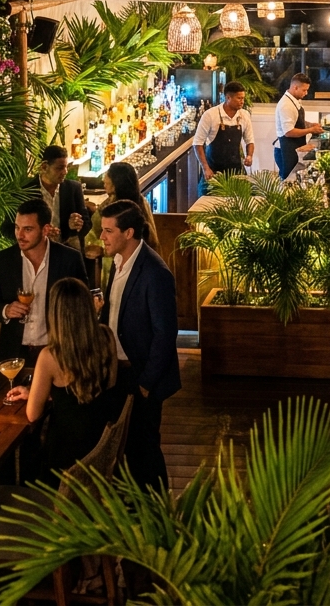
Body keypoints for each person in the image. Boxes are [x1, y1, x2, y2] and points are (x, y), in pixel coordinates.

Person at [5, 277, 123, 485]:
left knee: (30, 463)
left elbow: (32, 415)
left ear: (56, 314)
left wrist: (38, 393)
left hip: (65, 460)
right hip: (99, 448)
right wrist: (48, 392)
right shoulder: (106, 337)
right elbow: (108, 386)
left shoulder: (50, 356)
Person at [99, 199, 180, 490]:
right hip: (117, 371)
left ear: (129, 232)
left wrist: (146, 382)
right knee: (125, 446)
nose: (102, 237)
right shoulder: (118, 263)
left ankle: (156, 510)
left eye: (108, 231)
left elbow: (165, 333)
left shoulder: (155, 273)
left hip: (140, 374)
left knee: (144, 449)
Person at [0, 199, 89, 366]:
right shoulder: (3, 260)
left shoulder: (69, 259)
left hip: (56, 351)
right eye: (17, 227)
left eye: (28, 229)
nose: (20, 235)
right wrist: (6, 310)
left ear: (45, 229)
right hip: (14, 352)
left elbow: (83, 304)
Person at [194, 80, 255, 195]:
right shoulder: (210, 115)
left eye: (243, 98)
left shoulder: (244, 115)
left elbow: (250, 140)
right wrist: (205, 168)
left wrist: (250, 156)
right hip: (214, 171)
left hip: (236, 171)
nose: (242, 101)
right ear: (228, 98)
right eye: (239, 98)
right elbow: (197, 143)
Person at [28, 145, 90, 252]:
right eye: (60, 168)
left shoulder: (73, 188)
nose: (65, 172)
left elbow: (87, 224)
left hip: (66, 251)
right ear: (44, 167)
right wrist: (39, 233)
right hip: (37, 252)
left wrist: (76, 225)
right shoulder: (27, 191)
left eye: (66, 167)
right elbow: (8, 228)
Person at [98, 162, 160, 256]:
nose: (104, 185)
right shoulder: (141, 202)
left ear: (115, 184)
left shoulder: (117, 209)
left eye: (106, 183)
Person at [274, 72, 323, 179]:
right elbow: (289, 132)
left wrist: (310, 124)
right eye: (304, 90)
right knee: (288, 182)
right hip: (285, 150)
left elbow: (296, 120)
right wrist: (311, 129)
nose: (306, 93)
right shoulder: (286, 105)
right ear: (295, 87)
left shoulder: (295, 100)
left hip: (294, 148)